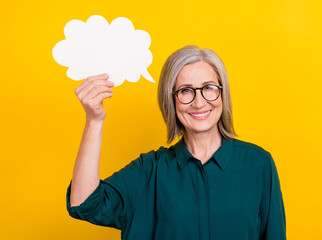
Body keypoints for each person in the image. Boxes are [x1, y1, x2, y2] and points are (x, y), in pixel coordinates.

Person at [66, 45, 286, 240]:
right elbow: (84, 204)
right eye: (185, 91)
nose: (199, 102)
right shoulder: (150, 171)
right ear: (170, 100)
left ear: (222, 93)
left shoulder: (258, 164)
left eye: (209, 87)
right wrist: (94, 120)